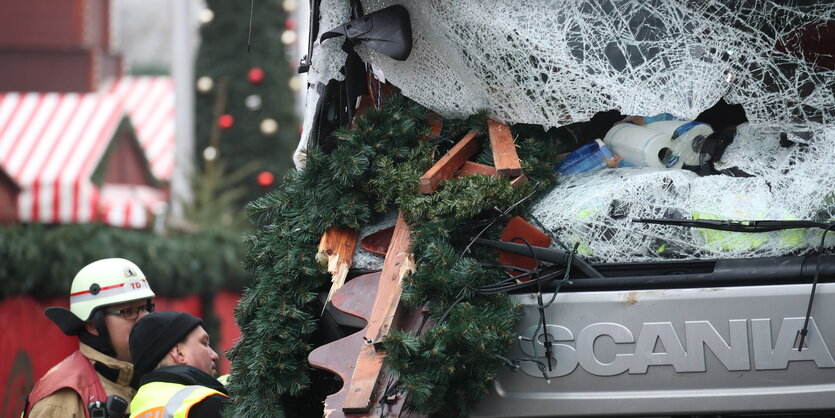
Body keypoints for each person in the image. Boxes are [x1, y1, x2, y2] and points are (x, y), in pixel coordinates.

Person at [24, 258, 156, 418]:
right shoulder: (62, 400)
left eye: (145, 308)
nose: (144, 318)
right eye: (129, 311)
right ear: (93, 323)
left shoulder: (148, 378)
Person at [128, 312, 229, 418]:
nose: (214, 355)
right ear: (179, 353)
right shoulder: (207, 404)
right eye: (204, 343)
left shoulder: (137, 409)